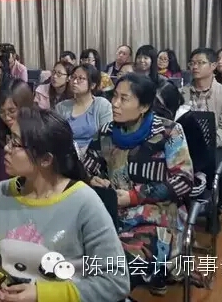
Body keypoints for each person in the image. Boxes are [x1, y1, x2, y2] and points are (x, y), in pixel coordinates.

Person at [0, 107, 130, 302]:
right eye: (9, 139)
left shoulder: (83, 202)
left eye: (16, 143)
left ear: (46, 159)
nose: (6, 148)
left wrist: (41, 295)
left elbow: (115, 280)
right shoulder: (2, 193)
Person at [83, 74, 194, 294]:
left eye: (124, 99)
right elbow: (85, 167)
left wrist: (134, 196)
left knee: (114, 266)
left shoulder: (168, 132)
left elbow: (183, 180)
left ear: (143, 106)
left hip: (157, 218)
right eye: (114, 96)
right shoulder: (106, 133)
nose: (115, 103)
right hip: (112, 215)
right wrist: (90, 179)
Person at [181, 48, 222, 207]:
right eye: (192, 63)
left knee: (220, 171)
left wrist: (206, 144)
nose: (195, 67)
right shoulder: (182, 93)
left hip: (217, 146)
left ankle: (217, 204)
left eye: (200, 63)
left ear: (213, 66)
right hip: (185, 147)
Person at [54, 64, 112, 153]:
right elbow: (57, 137)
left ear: (92, 85)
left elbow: (106, 138)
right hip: (68, 154)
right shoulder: (61, 107)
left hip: (95, 155)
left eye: (81, 78)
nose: (74, 81)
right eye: (73, 77)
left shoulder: (102, 105)